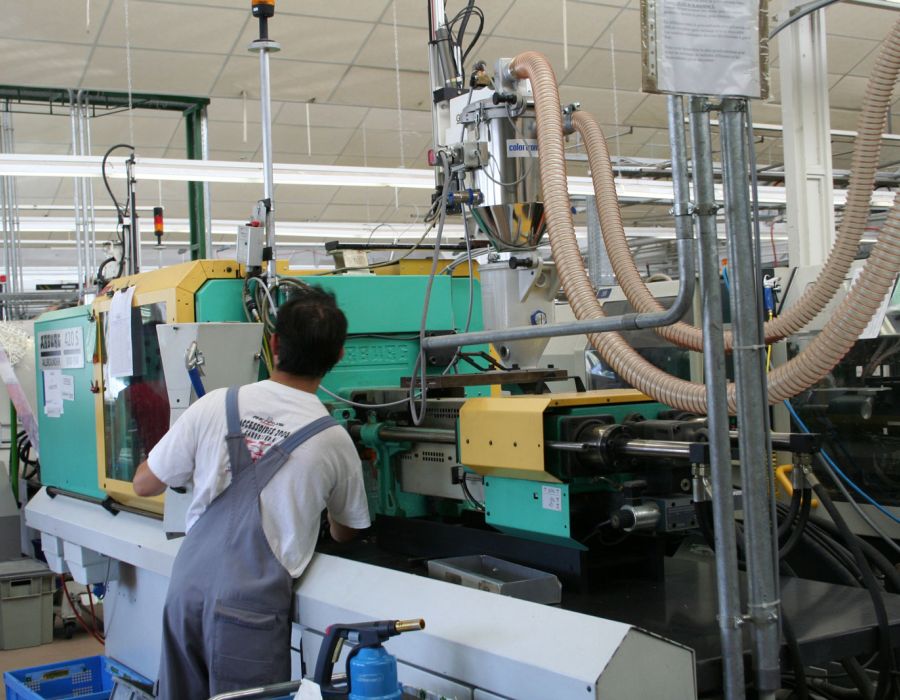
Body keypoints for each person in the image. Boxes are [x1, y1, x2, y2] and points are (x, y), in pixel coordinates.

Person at [133, 287, 371, 699]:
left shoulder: (214, 405)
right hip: (250, 609)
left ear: (274, 344)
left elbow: (143, 484)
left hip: (187, 589)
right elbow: (347, 530)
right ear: (338, 356)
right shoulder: (334, 441)